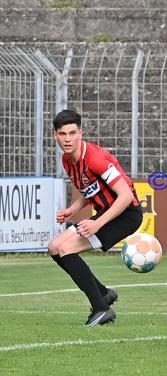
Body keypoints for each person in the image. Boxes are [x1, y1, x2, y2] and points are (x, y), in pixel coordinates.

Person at [47, 109, 143, 326]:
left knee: (66, 249)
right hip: (106, 213)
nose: (68, 139)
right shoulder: (67, 159)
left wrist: (97, 222)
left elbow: (126, 196)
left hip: (125, 214)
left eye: (73, 133)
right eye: (63, 134)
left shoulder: (96, 158)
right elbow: (89, 187)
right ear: (55, 136)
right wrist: (73, 209)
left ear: (81, 133)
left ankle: (101, 308)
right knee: (54, 247)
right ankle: (103, 294)